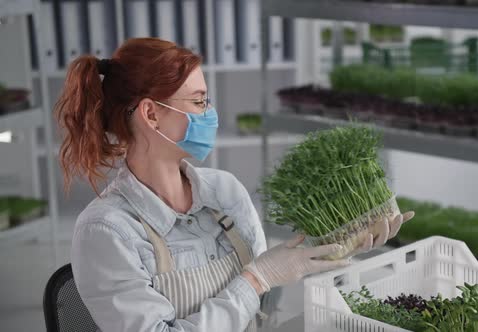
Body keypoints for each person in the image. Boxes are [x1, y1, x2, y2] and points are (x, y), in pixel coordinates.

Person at [56, 37, 414, 332]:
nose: (210, 114)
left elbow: (265, 304)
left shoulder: (223, 192)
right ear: (151, 114)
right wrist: (256, 279)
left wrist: (338, 246)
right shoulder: (106, 231)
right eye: (198, 102)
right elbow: (257, 282)